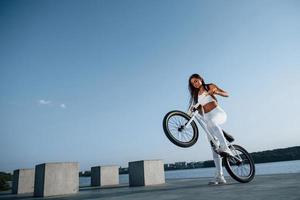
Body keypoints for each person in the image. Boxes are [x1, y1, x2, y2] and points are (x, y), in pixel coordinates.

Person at [187, 73, 234, 185]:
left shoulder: (210, 86)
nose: (195, 83)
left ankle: (226, 147)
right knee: (214, 148)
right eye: (193, 83)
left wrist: (216, 92)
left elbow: (227, 94)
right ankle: (220, 176)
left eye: (196, 80)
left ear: (201, 79)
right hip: (207, 119)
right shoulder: (196, 96)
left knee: (213, 123)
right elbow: (195, 108)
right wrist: (190, 111)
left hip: (218, 113)